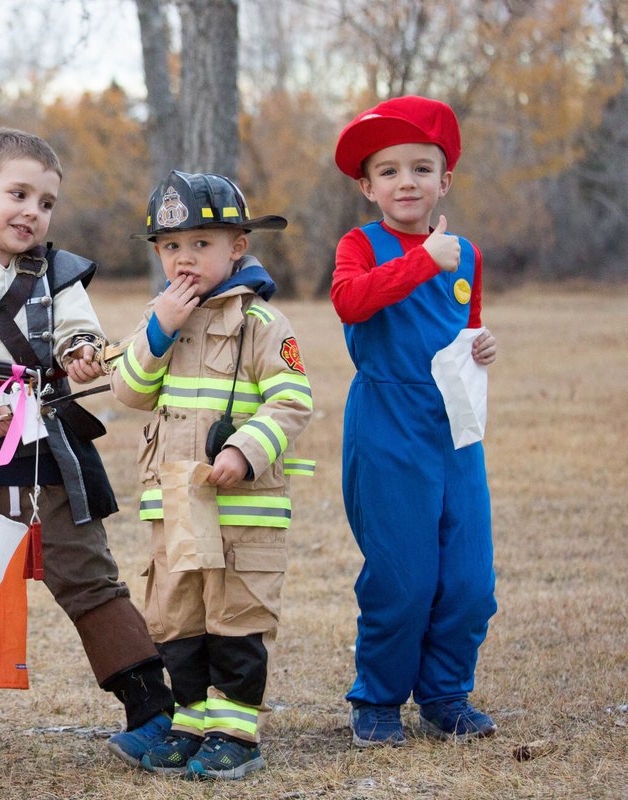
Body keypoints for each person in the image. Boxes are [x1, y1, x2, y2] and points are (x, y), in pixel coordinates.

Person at [0, 128, 174, 764]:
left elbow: (79, 335)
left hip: (52, 449)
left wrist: (79, 357)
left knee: (86, 574)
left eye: (46, 202)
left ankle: (152, 705)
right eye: (17, 194)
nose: (32, 212)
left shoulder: (63, 274)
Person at [109, 171, 314, 779]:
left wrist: (245, 451)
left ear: (237, 247)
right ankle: (192, 721)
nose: (185, 259)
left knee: (236, 617)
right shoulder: (161, 319)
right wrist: (159, 331)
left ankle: (234, 732)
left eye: (201, 244)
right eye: (172, 247)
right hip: (175, 504)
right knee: (177, 617)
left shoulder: (262, 324)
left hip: (242, 509)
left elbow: (292, 400)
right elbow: (129, 391)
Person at [331, 95, 499, 747]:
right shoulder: (360, 244)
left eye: (422, 168)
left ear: (444, 181)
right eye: (391, 170)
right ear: (367, 185)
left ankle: (446, 694)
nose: (408, 181)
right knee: (403, 576)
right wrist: (424, 258)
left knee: (468, 578)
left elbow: (467, 326)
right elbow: (350, 302)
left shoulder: (468, 254)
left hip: (454, 429)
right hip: (387, 424)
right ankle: (377, 699)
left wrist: (484, 341)